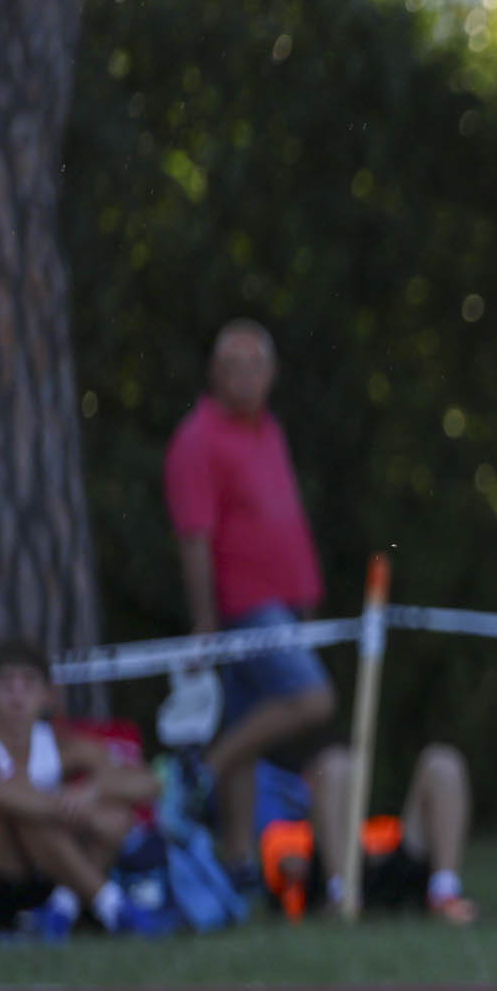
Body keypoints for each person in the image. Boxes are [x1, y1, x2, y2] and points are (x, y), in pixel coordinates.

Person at [162, 320, 339, 872]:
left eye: (254, 365)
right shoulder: (197, 439)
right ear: (213, 373)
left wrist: (305, 595)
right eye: (232, 366)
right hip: (244, 607)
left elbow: (285, 519)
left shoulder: (269, 430)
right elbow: (194, 536)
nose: (244, 377)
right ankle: (200, 771)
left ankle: (238, 862)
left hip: (286, 604)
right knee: (313, 697)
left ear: (272, 372)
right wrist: (205, 617)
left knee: (246, 728)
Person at [0, 642, 175, 939]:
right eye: (7, 684)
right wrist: (75, 810)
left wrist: (91, 792)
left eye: (28, 684)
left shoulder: (62, 744)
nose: (17, 696)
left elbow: (149, 782)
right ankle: (114, 907)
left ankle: (62, 908)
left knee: (116, 814)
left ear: (48, 695)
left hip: (53, 870)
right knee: (23, 806)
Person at [251, 742, 478, 925]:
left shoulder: (383, 826)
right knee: (335, 764)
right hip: (334, 870)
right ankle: (340, 895)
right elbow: (289, 868)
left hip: (394, 866)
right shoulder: (290, 832)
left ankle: (445, 893)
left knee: (443, 763)